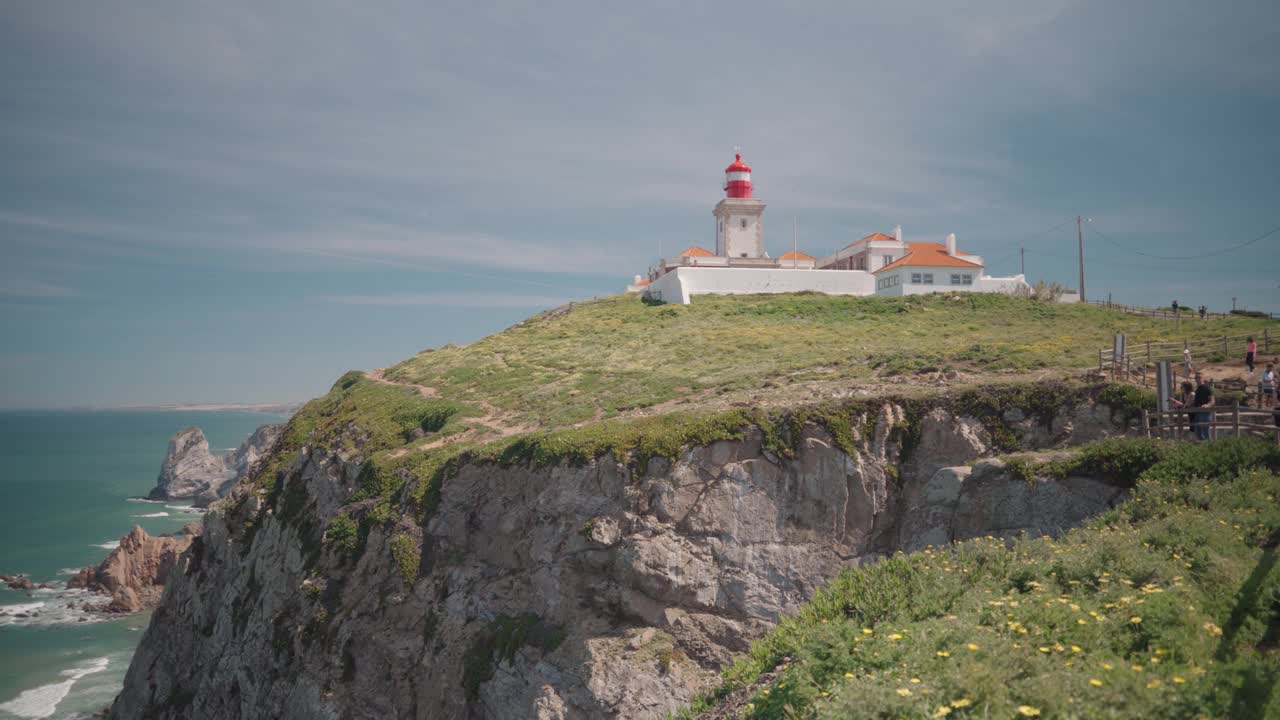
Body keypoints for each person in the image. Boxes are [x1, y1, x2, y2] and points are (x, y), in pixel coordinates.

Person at [1192, 374, 1214, 441]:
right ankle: (1203, 447)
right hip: (1197, 412)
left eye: (1199, 377)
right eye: (1196, 378)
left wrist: (1207, 405)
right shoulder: (1197, 389)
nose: (1197, 379)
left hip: (1204, 412)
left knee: (1205, 431)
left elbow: (1212, 400)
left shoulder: (1207, 388)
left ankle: (1209, 447)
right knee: (1197, 432)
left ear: (1203, 378)